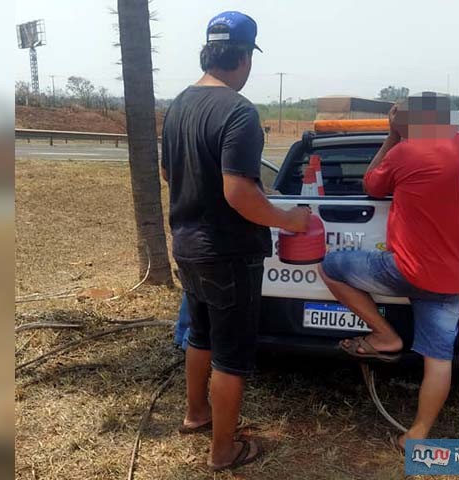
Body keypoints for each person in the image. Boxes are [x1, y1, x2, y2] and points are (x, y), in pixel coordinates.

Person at [160, 11, 310, 472]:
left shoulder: (179, 105)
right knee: (232, 355)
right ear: (244, 57)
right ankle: (223, 451)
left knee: (200, 334)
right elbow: (240, 191)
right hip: (228, 253)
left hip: (187, 245)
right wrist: (289, 220)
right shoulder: (239, 111)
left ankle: (195, 413)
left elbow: (169, 172)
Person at [317, 92, 459, 450]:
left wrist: (393, 136)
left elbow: (371, 184)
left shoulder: (404, 152)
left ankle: (385, 336)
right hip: (458, 279)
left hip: (406, 270)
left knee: (330, 266)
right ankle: (417, 435)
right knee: (438, 359)